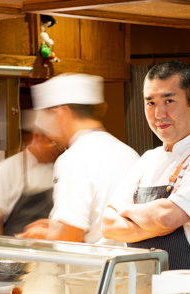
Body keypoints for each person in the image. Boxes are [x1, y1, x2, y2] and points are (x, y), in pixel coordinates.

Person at [102, 60, 190, 294]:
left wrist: (128, 213)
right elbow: (107, 225)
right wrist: (155, 220)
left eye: (169, 101)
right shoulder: (148, 159)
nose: (159, 113)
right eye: (151, 103)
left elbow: (168, 217)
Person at [17, 73, 140, 244]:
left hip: (93, 269)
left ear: (60, 113)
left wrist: (41, 235)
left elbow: (71, 238)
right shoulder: (129, 153)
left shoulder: (74, 158)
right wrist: (54, 227)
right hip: (130, 266)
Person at [0, 110, 65, 236]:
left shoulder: (61, 168)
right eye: (54, 143)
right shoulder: (7, 169)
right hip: (13, 248)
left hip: (50, 250)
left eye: (62, 144)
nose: (60, 149)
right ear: (37, 136)